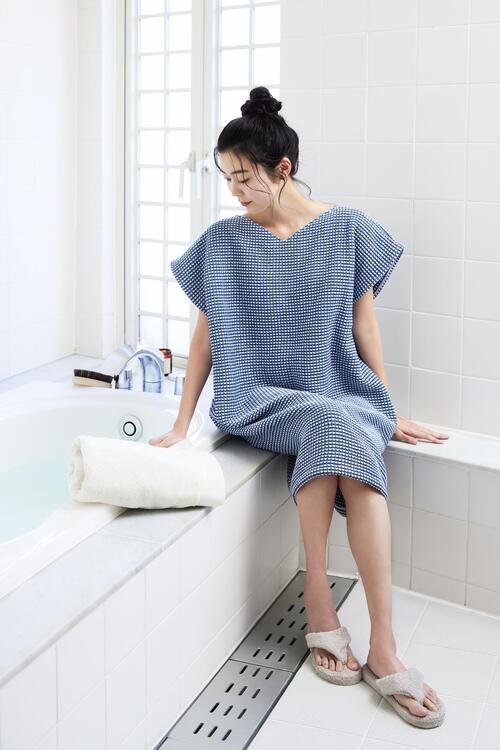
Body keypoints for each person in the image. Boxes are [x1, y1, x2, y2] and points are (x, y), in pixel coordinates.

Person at [149, 86, 449, 727]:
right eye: (226, 178)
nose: (234, 191)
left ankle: (380, 641)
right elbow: (205, 337)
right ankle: (322, 596)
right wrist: (181, 422)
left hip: (334, 390)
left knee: (341, 423)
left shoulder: (348, 229)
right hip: (255, 396)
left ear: (282, 169)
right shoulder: (223, 242)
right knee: (329, 419)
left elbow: (364, 325)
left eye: (244, 178)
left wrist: (386, 405)